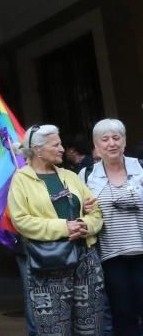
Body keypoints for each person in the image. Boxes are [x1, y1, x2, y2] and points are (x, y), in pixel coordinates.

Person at [8, 124, 105, 336]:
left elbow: (96, 211)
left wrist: (86, 225)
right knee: (54, 330)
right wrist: (64, 227)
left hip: (85, 261)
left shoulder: (70, 176)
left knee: (91, 328)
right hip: (49, 264)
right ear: (37, 149)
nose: (62, 148)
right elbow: (21, 221)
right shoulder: (21, 180)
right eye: (56, 144)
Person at [80, 119, 143, 336]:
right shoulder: (86, 176)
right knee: (123, 315)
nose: (111, 143)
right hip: (110, 256)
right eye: (104, 139)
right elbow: (80, 214)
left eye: (116, 138)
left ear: (124, 142)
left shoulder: (141, 167)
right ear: (96, 146)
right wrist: (83, 209)